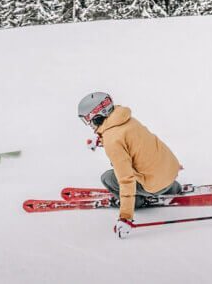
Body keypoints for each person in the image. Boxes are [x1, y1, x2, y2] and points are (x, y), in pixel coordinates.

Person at [78, 91, 182, 235]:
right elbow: (126, 140)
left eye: (88, 119)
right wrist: (101, 139)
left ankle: (137, 201)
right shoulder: (127, 120)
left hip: (154, 186)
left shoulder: (112, 140)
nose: (89, 124)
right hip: (170, 170)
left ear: (97, 117)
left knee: (107, 177)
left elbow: (126, 180)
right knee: (144, 168)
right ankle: (171, 188)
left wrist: (126, 217)